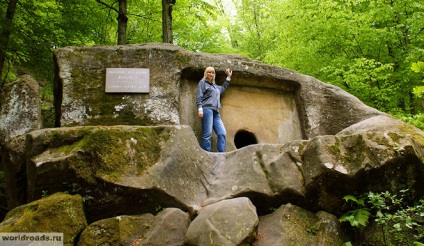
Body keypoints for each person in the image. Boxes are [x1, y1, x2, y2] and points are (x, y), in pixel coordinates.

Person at [196, 67, 232, 152]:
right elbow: (199, 96)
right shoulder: (202, 83)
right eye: (209, 72)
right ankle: (207, 154)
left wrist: (228, 77)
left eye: (212, 73)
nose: (211, 74)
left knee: (222, 133)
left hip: (216, 111)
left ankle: (220, 155)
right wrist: (200, 109)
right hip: (207, 109)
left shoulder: (215, 86)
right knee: (207, 134)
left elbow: (223, 88)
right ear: (206, 73)